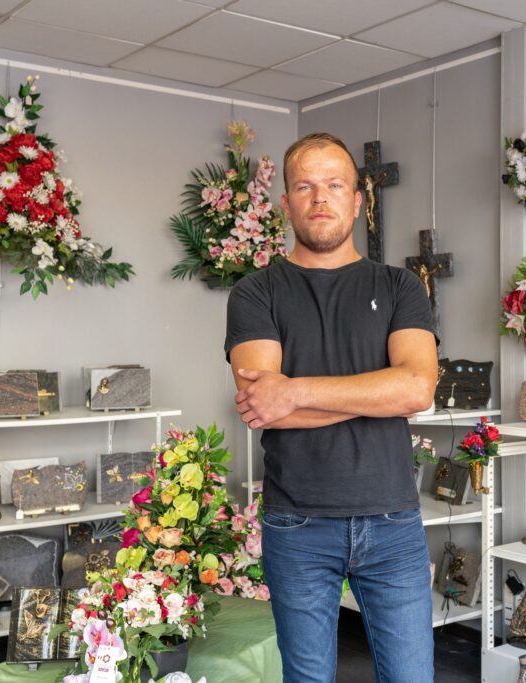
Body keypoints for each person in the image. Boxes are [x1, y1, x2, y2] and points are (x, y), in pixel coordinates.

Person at [224, 132, 439, 683]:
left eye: (335, 184)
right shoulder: (255, 292)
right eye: (305, 186)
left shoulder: (399, 287)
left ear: (357, 199)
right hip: (297, 523)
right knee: (307, 678)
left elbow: (417, 390)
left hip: (392, 521)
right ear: (287, 203)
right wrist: (375, 397)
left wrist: (294, 389)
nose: (321, 198)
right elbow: (262, 407)